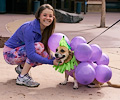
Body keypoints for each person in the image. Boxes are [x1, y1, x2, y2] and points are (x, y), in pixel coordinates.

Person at [3, 4, 63, 87]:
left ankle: (21, 68)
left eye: (50, 16)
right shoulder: (29, 28)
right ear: (38, 16)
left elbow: (46, 53)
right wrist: (51, 62)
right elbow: (31, 54)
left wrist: (58, 59)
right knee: (38, 47)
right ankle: (22, 77)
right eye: (44, 15)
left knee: (45, 54)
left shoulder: (46, 30)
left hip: (21, 52)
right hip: (9, 54)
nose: (48, 18)